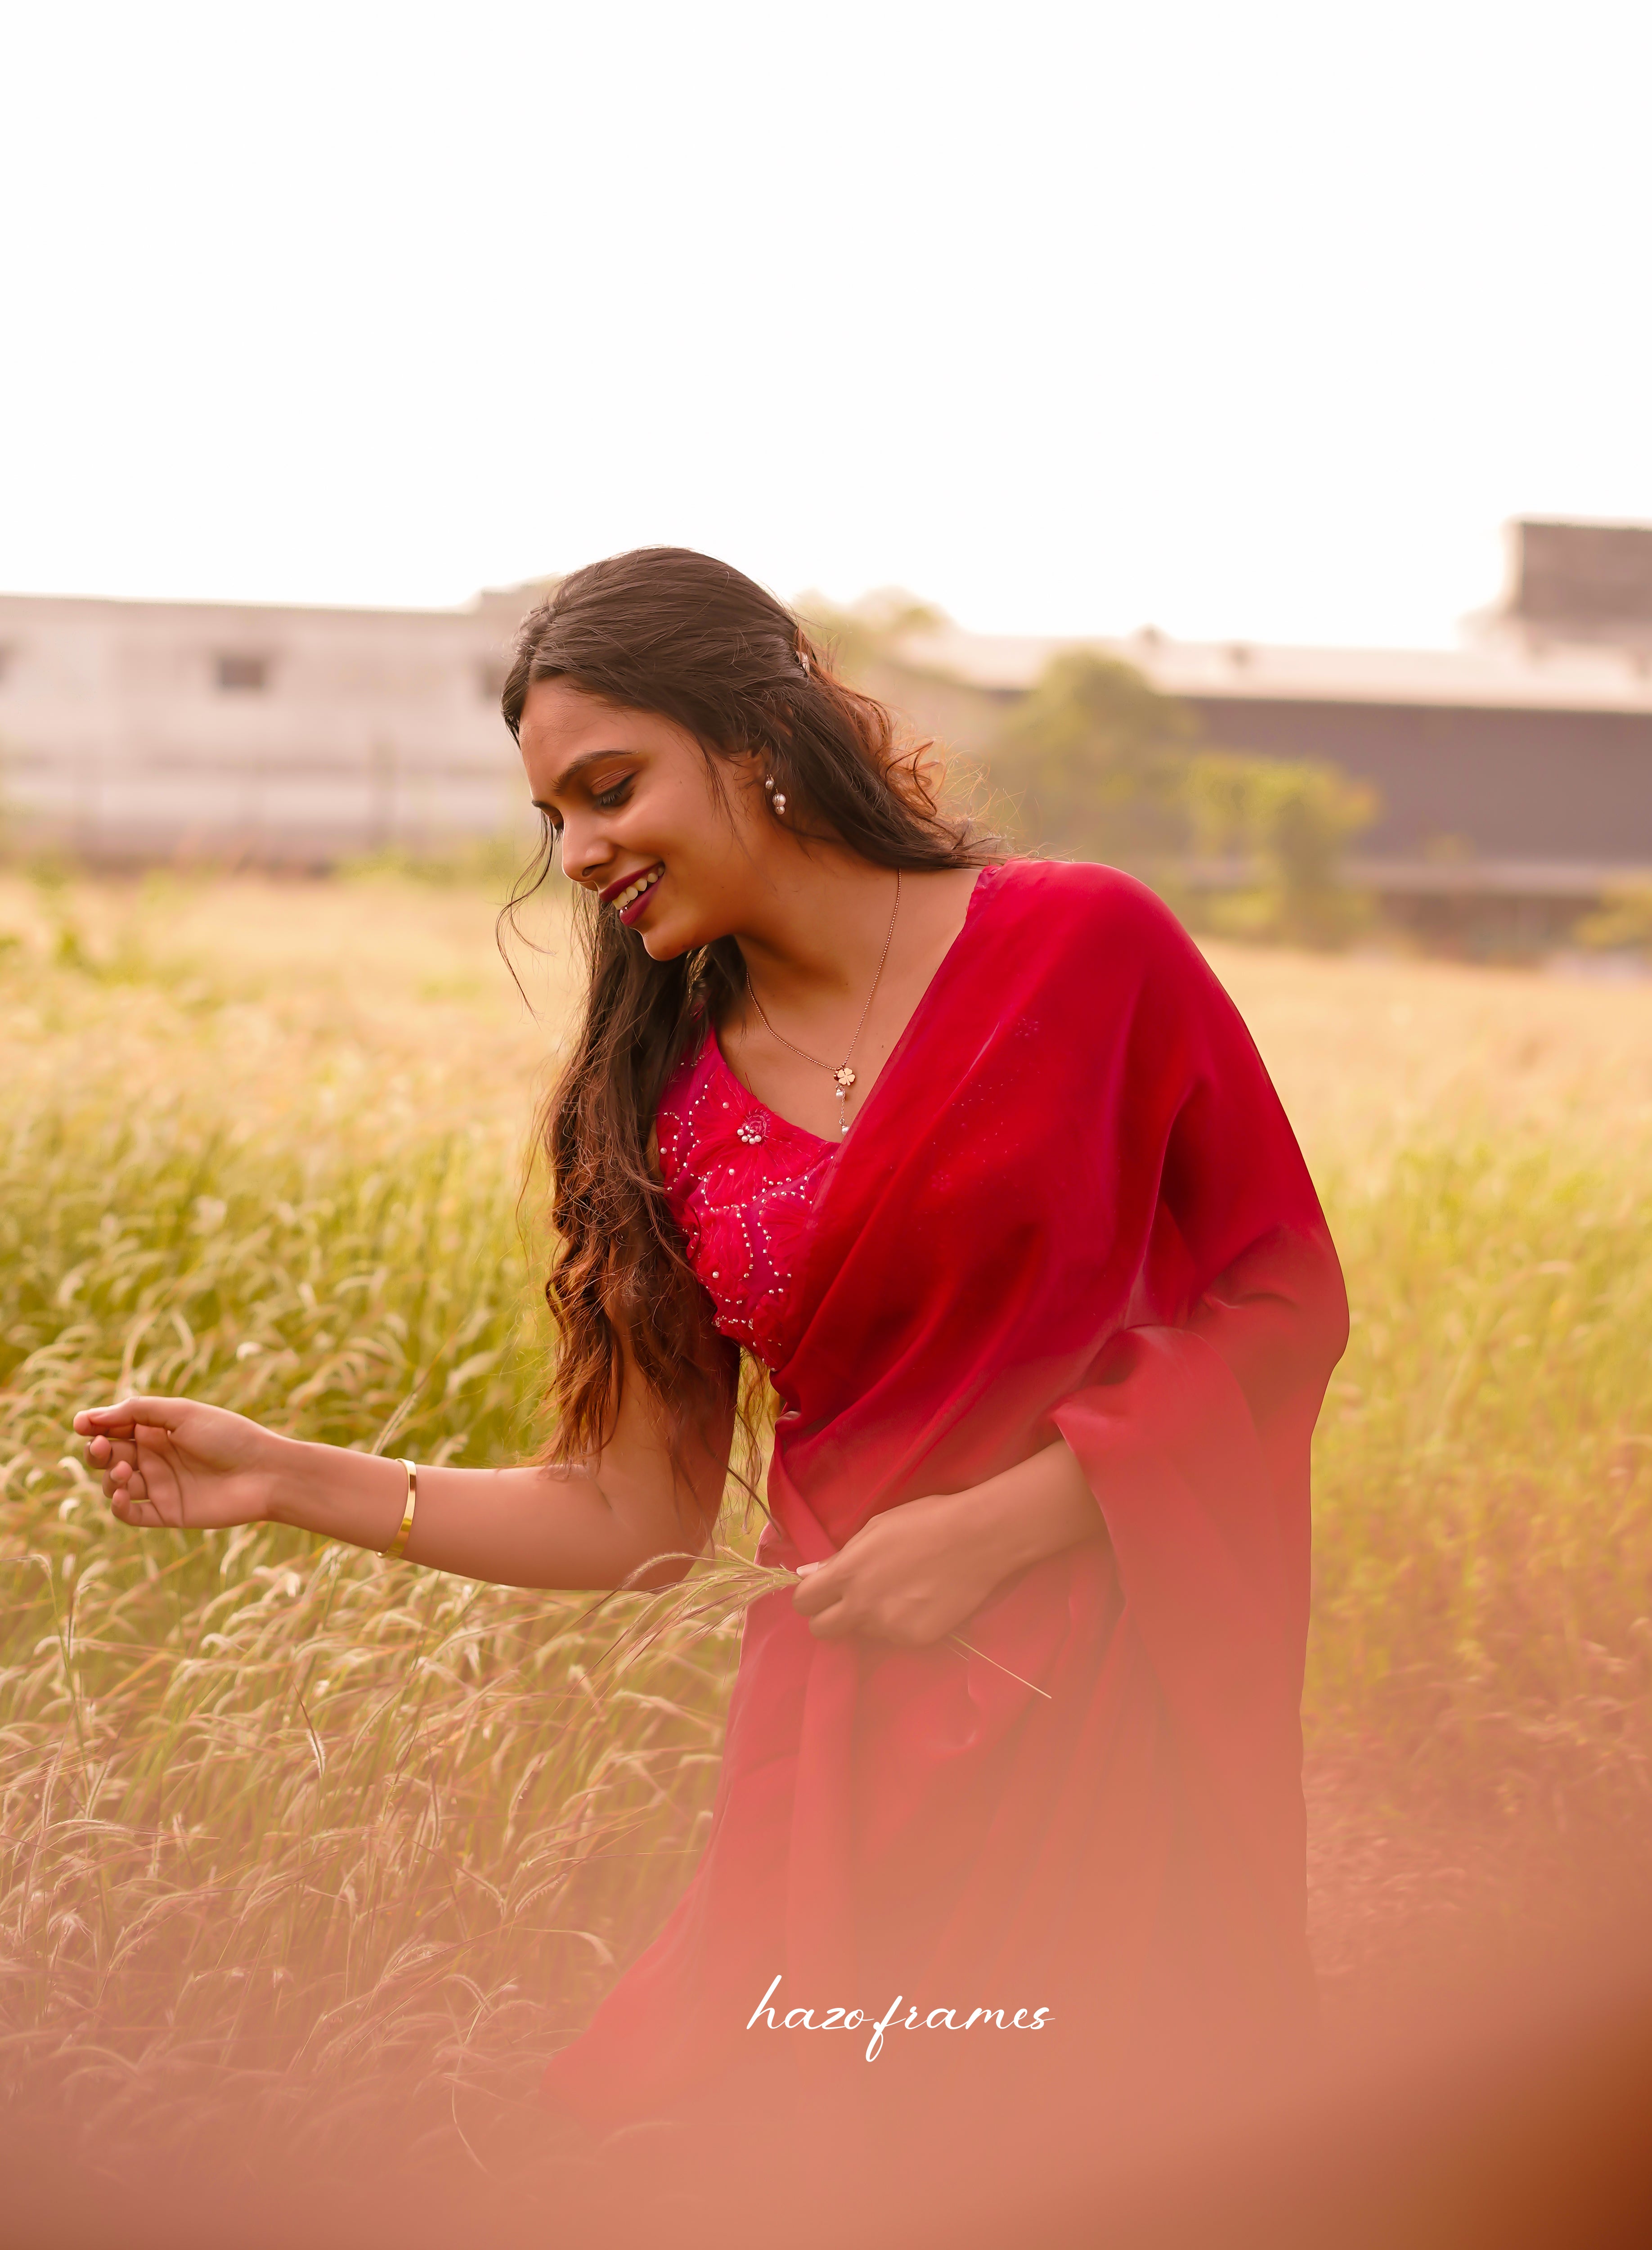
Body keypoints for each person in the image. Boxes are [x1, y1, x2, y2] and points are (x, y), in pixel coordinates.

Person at [73, 548, 1348, 2166]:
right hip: (853, 1743)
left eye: (612, 788)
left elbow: (1286, 1294)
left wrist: (1012, 1522)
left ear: (759, 730)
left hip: (1108, 1696)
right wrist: (282, 1478)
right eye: (555, 820)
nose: (584, 851)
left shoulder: (1085, 949)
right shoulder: (652, 1104)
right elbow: (633, 1520)